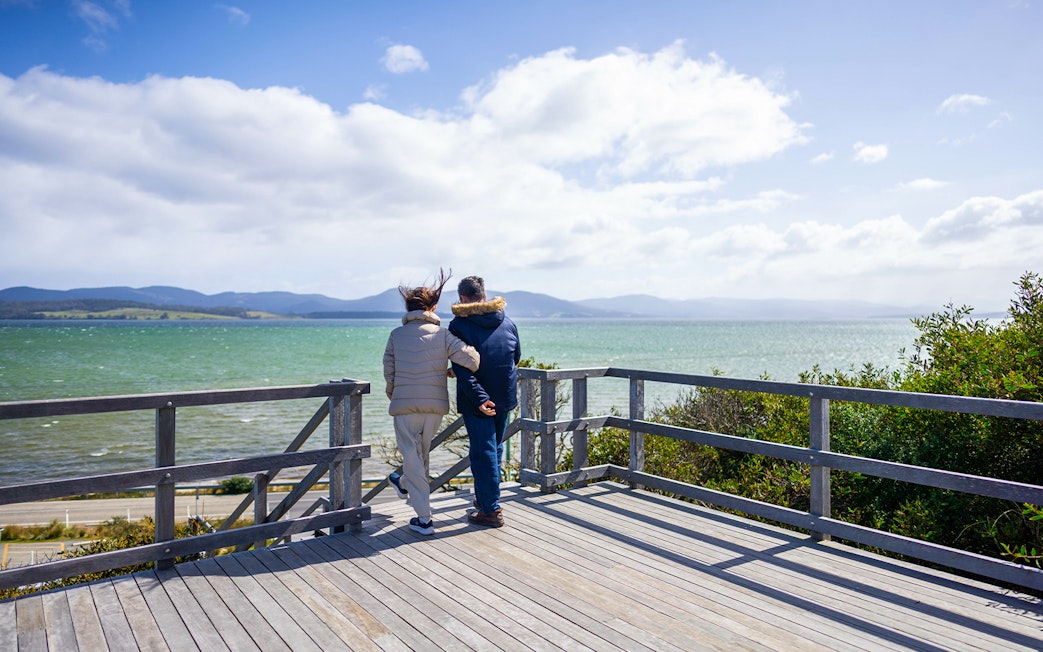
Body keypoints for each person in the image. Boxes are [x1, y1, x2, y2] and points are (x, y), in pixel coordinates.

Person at [383, 270, 480, 535]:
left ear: (408, 308)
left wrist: (396, 394)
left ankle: (424, 519)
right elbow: (472, 361)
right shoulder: (444, 335)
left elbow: (389, 374)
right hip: (435, 407)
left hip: (405, 405)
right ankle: (403, 482)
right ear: (433, 307)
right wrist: (448, 371)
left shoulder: (395, 335)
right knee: (419, 455)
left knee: (413, 457)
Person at [449, 275, 521, 528]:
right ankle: (486, 499)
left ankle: (490, 510)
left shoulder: (459, 325)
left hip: (478, 401)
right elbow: (516, 357)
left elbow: (462, 369)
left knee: (483, 452)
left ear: (463, 299)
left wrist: (480, 398)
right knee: (495, 449)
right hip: (505, 396)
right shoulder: (508, 322)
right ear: (484, 295)